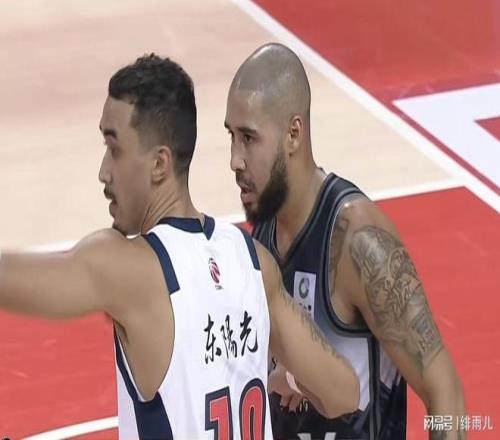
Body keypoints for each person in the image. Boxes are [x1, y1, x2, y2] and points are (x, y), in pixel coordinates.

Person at [0, 54, 359, 439]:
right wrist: (290, 375)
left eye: (114, 148)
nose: (104, 172)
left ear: (159, 164)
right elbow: (344, 394)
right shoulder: (254, 262)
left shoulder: (129, 270)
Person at [225, 43, 466, 440]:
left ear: (293, 134)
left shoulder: (357, 240)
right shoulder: (263, 234)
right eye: (231, 136)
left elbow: (447, 396)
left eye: (249, 138)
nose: (235, 158)